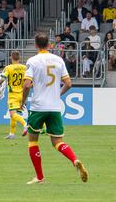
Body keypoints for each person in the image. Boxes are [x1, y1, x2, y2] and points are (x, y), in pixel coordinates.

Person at [21, 33, 88, 184]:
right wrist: (57, 95)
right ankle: (74, 160)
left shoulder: (33, 60)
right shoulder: (58, 60)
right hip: (55, 107)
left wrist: (23, 101)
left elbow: (26, 85)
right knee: (57, 141)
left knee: (33, 142)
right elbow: (69, 83)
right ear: (49, 45)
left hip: (38, 107)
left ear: (36, 45)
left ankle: (39, 177)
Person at [0, 51, 28, 138]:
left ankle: (25, 124)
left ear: (11, 57)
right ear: (19, 58)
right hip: (22, 94)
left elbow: (2, 79)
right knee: (13, 114)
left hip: (13, 95)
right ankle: (12, 134)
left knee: (12, 114)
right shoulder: (24, 67)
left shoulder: (8, 68)